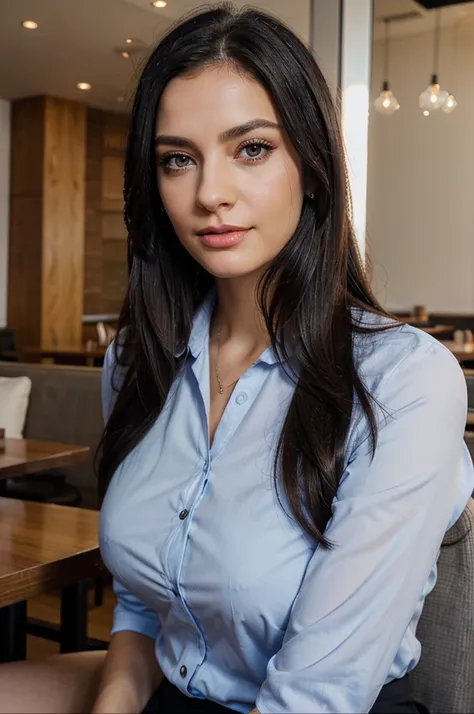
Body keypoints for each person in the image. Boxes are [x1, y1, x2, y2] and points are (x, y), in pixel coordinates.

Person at [0, 4, 473, 713]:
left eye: (251, 149)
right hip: (167, 688)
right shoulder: (137, 360)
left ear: (312, 167)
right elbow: (138, 602)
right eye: (177, 159)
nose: (209, 194)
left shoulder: (402, 381)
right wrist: (114, 703)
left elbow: (316, 694)